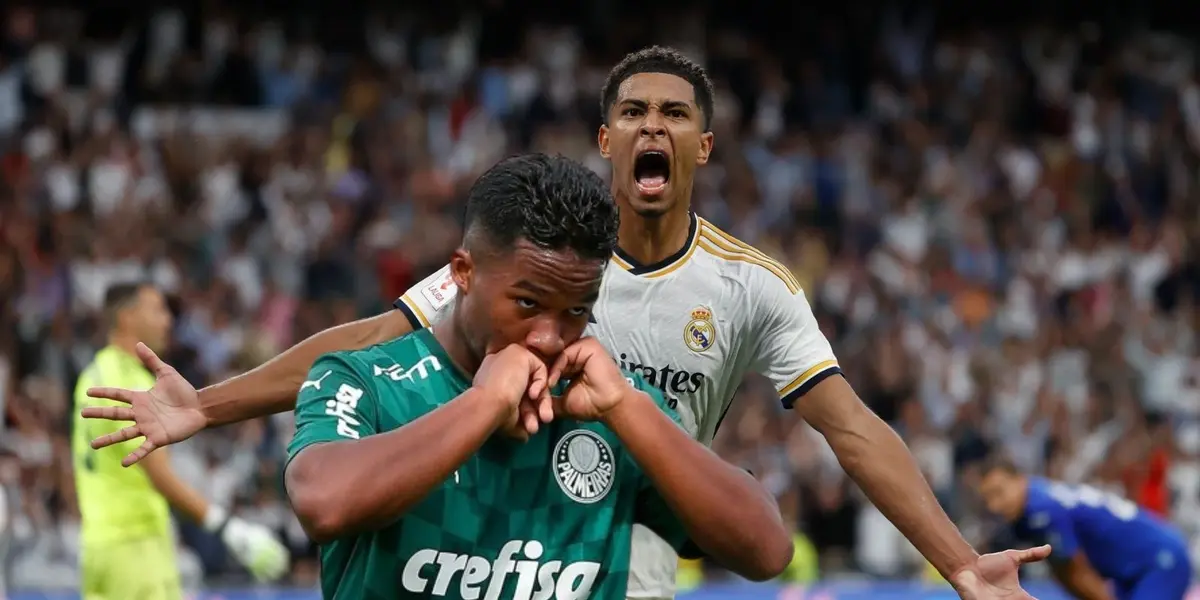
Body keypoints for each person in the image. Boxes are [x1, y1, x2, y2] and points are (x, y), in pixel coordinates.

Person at [83, 47, 1048, 599]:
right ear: (607, 138)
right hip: (472, 508)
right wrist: (209, 406)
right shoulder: (528, 245)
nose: (653, 128)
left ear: (701, 146)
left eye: (675, 114)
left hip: (629, 519)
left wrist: (958, 562)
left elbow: (850, 431)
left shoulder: (752, 287)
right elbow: (377, 346)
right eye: (633, 111)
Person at [283, 153, 793, 598]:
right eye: (528, 303)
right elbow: (323, 503)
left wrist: (628, 409)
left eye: (577, 311)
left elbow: (766, 551)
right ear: (463, 272)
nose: (550, 339)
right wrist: (483, 403)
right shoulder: (366, 379)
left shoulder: (608, 407)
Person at [71, 283, 290, 599]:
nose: (168, 320)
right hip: (137, 548)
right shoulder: (133, 384)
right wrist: (229, 528)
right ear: (127, 317)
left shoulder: (92, 374)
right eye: (157, 310)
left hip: (98, 548)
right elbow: (160, 476)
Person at [977, 456, 1193, 600]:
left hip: (1159, 561)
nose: (995, 505)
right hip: (1134, 569)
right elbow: (1064, 572)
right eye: (988, 499)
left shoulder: (1040, 510)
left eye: (999, 492)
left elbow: (1076, 571)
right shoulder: (1032, 505)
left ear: (1020, 479)